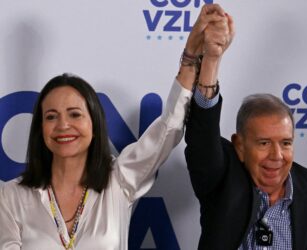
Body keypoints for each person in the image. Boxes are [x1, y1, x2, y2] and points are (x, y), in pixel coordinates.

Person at [0, 4, 230, 250]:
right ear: (40, 129)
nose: (63, 125)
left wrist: (191, 57)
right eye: (51, 117)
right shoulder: (11, 197)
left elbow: (169, 128)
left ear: (95, 124)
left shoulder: (119, 180)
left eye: (75, 114)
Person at [184, 13, 307, 250]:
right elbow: (202, 138)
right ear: (239, 146)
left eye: (285, 143)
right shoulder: (222, 181)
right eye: (263, 143)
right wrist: (211, 59)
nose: (276, 156)